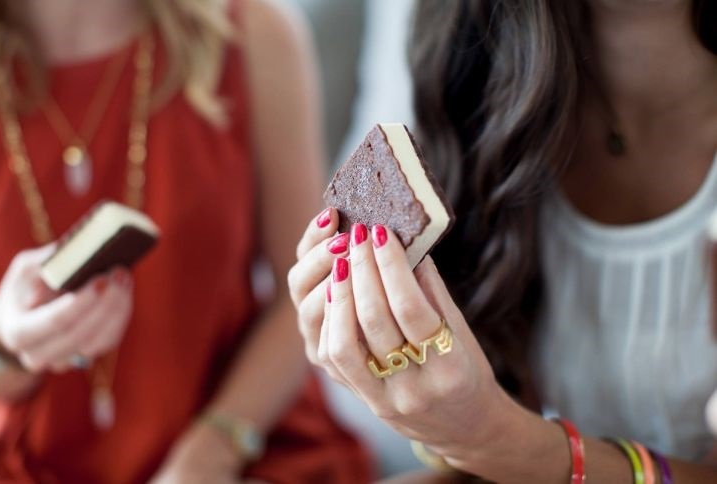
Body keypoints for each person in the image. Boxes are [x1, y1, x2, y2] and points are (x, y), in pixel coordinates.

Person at [288, 0, 717, 482]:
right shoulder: (473, 63)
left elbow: (501, 443)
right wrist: (442, 420)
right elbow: (486, 426)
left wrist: (497, 440)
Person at [0, 0, 370, 482]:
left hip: (241, 438)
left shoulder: (252, 34)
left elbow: (308, 291)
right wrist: (7, 343)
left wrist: (213, 448)